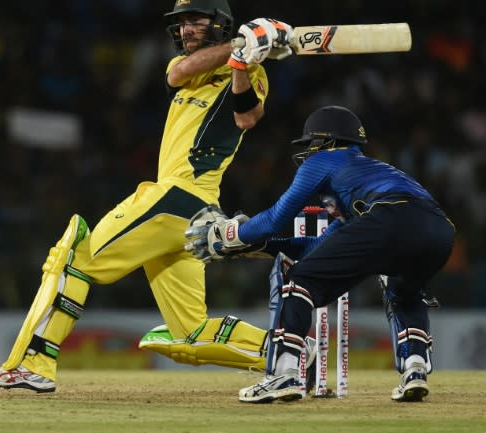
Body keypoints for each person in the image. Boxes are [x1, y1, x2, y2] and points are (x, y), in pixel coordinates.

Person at [0, 0, 295, 392]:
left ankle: (32, 365)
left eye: (195, 21)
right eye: (181, 23)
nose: (186, 29)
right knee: (190, 334)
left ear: (218, 22)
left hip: (181, 196)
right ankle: (289, 354)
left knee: (75, 258)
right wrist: (241, 44)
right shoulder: (187, 68)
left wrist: (244, 61)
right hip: (191, 214)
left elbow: (248, 117)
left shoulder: (250, 74)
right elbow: (177, 72)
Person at [185, 105, 455, 403]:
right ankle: (415, 370)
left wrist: (227, 235)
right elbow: (314, 248)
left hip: (389, 219)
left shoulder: (327, 159)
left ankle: (285, 373)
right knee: (403, 292)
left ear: (327, 141)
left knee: (298, 279)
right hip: (439, 231)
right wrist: (259, 245)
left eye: (310, 144)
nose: (307, 153)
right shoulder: (365, 182)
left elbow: (275, 218)